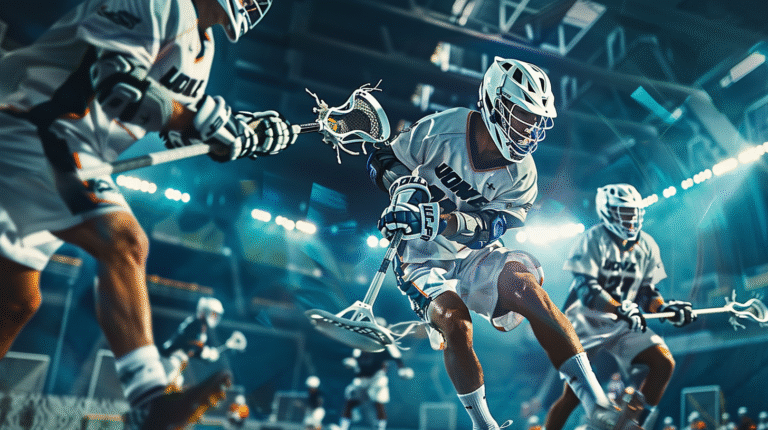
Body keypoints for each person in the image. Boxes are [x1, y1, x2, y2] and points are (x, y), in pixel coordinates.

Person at [0, 0, 297, 427]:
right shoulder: (157, 3)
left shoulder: (203, 47)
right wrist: (201, 122)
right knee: (123, 241)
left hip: (72, 152)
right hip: (34, 130)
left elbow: (163, 131)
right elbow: (119, 87)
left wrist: (240, 134)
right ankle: (151, 400)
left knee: (13, 303)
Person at [367, 56, 618, 430]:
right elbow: (383, 158)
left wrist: (437, 220)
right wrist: (402, 189)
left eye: (537, 120)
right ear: (494, 104)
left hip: (474, 253)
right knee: (456, 323)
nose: (531, 129)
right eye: (524, 115)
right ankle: (483, 425)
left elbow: (490, 228)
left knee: (528, 290)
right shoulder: (444, 127)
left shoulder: (523, 173)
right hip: (423, 258)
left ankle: (598, 405)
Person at [544, 183, 697, 430]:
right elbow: (587, 291)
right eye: (624, 212)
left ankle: (635, 424)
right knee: (572, 396)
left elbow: (648, 293)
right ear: (607, 212)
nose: (631, 218)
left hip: (623, 320)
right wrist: (619, 308)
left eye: (634, 212)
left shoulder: (646, 244)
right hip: (585, 320)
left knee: (663, 363)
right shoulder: (593, 239)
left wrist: (666, 310)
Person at [336, 322, 414, 430]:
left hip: (377, 378)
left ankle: (381, 428)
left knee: (379, 403)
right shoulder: (361, 342)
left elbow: (397, 359)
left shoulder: (386, 344)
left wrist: (402, 369)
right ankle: (343, 427)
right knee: (350, 401)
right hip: (361, 378)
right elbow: (354, 357)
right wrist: (351, 361)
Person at [159, 297, 226, 389]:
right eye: (214, 314)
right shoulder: (195, 324)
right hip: (170, 359)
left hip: (175, 360)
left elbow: (192, 350)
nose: (216, 318)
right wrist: (206, 353)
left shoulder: (200, 327)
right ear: (205, 311)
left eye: (217, 315)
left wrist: (205, 354)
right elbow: (191, 345)